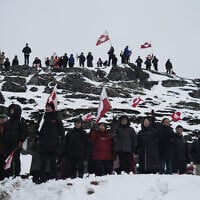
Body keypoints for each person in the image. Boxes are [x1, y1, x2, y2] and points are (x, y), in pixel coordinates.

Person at [38, 102, 65, 183]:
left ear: (52, 108)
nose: (47, 108)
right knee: (43, 163)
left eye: (49, 107)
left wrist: (62, 141)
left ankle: (54, 178)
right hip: (43, 144)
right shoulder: (42, 118)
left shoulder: (56, 118)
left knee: (53, 163)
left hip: (54, 145)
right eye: (46, 107)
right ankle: (42, 178)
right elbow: (37, 129)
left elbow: (61, 131)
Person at [3, 104, 27, 178]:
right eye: (10, 110)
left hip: (16, 143)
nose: (11, 111)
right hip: (7, 143)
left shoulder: (20, 120)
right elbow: (5, 132)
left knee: (16, 159)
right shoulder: (8, 122)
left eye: (13, 110)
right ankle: (8, 174)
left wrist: (21, 140)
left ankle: (17, 174)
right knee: (7, 159)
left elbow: (24, 132)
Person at [0, 114, 8, 180]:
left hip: (6, 147)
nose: (2, 119)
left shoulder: (9, 126)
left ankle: (4, 176)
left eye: (3, 118)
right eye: (1, 118)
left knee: (5, 162)